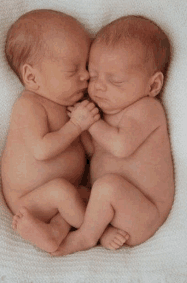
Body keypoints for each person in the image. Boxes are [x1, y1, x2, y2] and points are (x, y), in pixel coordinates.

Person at [52, 15, 175, 256]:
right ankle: (55, 231)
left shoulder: (146, 109)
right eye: (94, 75)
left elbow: (120, 147)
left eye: (115, 80)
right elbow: (94, 152)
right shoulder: (104, 112)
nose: (98, 87)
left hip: (143, 214)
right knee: (70, 194)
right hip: (109, 211)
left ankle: (86, 237)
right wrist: (77, 127)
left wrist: (89, 123)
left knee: (107, 187)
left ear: (153, 86)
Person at [1, 9, 100, 253]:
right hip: (30, 201)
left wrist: (88, 128)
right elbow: (42, 150)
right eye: (72, 71)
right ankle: (98, 232)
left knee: (88, 194)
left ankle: (54, 233)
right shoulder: (29, 105)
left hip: (61, 198)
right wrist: (76, 125)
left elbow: (88, 151)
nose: (86, 75)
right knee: (63, 192)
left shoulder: (68, 105)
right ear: (32, 77)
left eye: (85, 66)